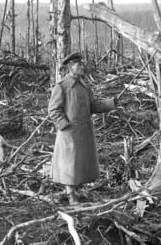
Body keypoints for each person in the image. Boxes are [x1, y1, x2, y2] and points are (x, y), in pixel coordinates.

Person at [48, 52, 116, 205]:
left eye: (81, 65)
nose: (82, 67)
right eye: (78, 65)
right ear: (70, 68)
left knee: (81, 163)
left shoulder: (84, 85)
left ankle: (78, 190)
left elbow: (93, 105)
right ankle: (71, 195)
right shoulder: (63, 86)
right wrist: (65, 125)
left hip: (84, 130)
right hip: (69, 133)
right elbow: (53, 109)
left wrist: (111, 103)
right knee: (69, 164)